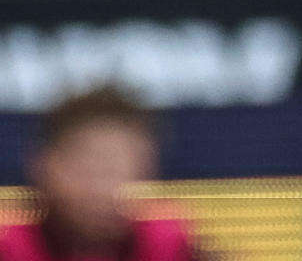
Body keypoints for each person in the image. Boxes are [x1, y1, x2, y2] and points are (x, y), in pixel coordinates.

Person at [0, 87, 200, 261]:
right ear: (43, 164)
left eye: (115, 169)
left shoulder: (170, 245)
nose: (101, 188)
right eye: (87, 168)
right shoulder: (8, 246)